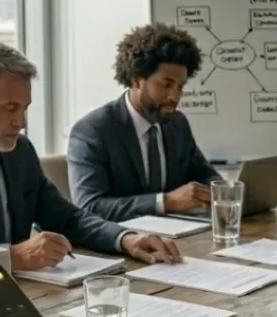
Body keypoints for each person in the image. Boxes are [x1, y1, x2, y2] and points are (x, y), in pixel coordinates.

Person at [0, 42, 181, 271]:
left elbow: (67, 218)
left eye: (25, 108)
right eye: (10, 108)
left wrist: (126, 238)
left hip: (29, 293)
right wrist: (12, 256)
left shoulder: (20, 152)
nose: (21, 122)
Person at [67, 23, 219, 221]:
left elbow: (205, 175)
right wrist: (165, 202)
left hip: (180, 233)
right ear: (136, 80)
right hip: (122, 236)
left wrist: (222, 192)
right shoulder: (93, 131)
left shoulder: (177, 124)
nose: (174, 96)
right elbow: (90, 206)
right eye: (166, 84)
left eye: (180, 87)